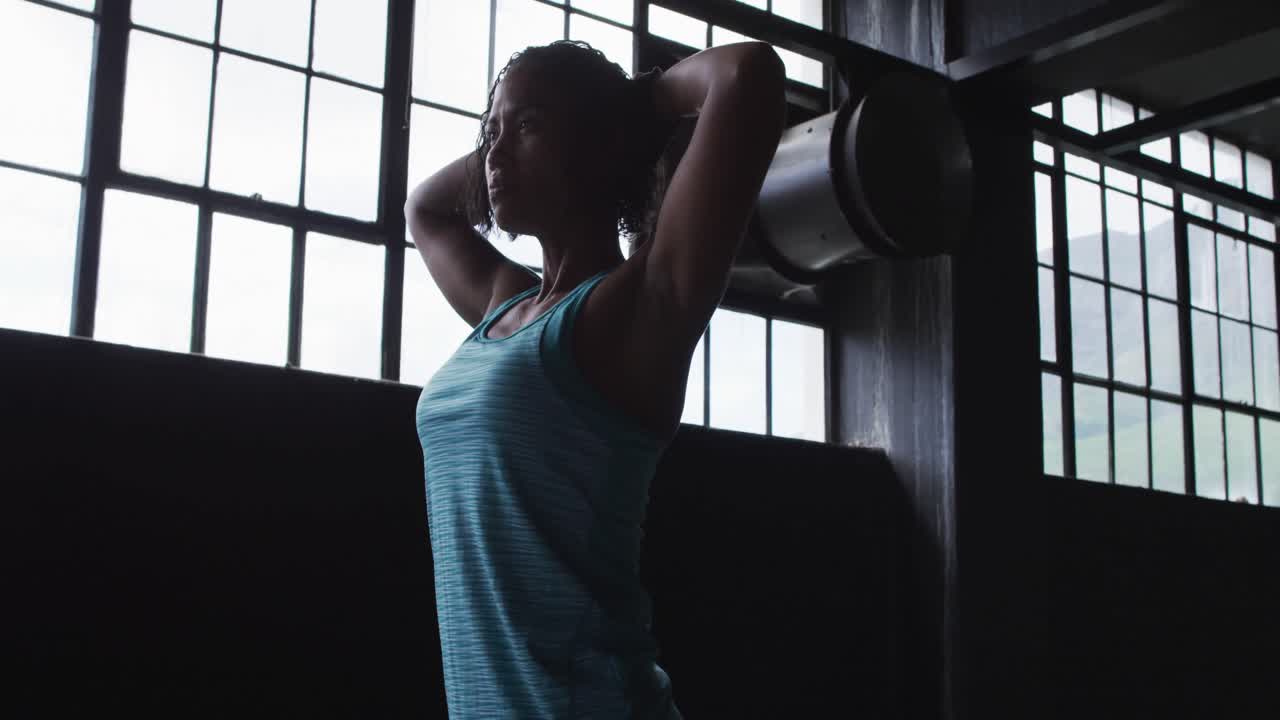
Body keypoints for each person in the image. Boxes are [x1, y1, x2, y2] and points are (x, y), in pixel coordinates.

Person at [408, 38, 785, 719]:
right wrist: (513, 125)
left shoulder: (636, 306)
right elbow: (426, 210)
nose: (494, 155)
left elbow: (747, 74)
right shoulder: (503, 300)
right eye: (489, 132)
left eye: (529, 128)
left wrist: (633, 107)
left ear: (600, 140)